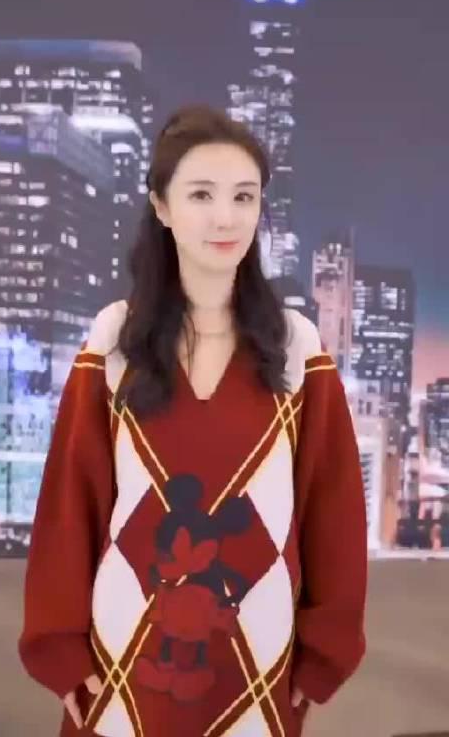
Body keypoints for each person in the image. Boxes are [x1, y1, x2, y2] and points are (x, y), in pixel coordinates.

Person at [19, 105, 368, 737]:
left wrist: (323, 654)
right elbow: (70, 504)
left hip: (260, 658)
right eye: (201, 194)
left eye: (244, 196)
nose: (225, 217)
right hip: (122, 654)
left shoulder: (297, 346)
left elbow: (333, 508)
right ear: (161, 205)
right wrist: (59, 648)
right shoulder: (114, 338)